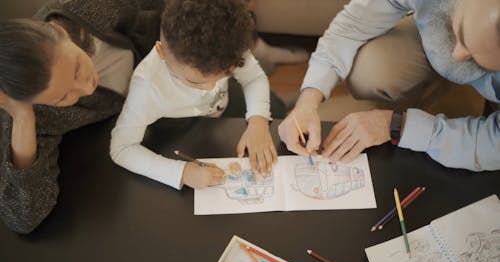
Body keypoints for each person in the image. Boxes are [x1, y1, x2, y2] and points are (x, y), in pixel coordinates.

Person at [0, 0, 163, 233]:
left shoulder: (86, 8)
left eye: (77, 68)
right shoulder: (39, 112)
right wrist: (23, 117)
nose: (86, 88)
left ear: (60, 31)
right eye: (64, 97)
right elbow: (23, 216)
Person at [278, 0, 500, 171]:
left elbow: (494, 147)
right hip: (427, 33)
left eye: (480, 61)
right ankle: (439, 89)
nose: (456, 55)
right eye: (459, 30)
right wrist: (308, 100)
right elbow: (351, 26)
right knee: (370, 71)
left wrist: (398, 126)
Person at [110, 0, 285, 190]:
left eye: (224, 74)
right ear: (161, 52)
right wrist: (182, 172)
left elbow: (253, 78)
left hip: (222, 105)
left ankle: (284, 103)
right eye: (195, 82)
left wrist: (258, 121)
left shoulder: (228, 44)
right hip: (176, 127)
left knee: (276, 109)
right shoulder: (147, 87)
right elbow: (122, 148)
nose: (210, 87)